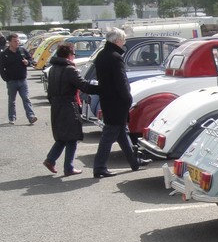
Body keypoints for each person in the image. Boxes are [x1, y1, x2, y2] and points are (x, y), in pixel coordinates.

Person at [92, 27, 150, 178]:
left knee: (122, 133)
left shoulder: (101, 55)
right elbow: (121, 81)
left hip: (107, 99)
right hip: (116, 101)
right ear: (117, 41)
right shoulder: (115, 57)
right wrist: (128, 98)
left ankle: (134, 162)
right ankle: (99, 167)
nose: (124, 42)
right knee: (109, 135)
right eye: (123, 40)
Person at [43, 42, 101, 176]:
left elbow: (50, 92)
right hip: (68, 104)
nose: (74, 57)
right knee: (72, 137)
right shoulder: (70, 69)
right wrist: (101, 88)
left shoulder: (53, 69)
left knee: (63, 136)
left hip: (57, 105)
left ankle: (51, 159)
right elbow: (84, 86)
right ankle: (68, 167)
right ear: (69, 55)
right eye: (73, 54)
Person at [0, 33, 37, 125]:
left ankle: (31, 116)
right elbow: (1, 68)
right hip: (11, 81)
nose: (17, 42)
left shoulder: (22, 50)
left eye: (18, 40)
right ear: (9, 42)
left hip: (22, 80)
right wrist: (6, 79)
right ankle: (12, 118)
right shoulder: (4, 54)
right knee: (12, 100)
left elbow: (32, 60)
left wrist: (27, 62)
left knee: (26, 98)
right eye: (15, 41)